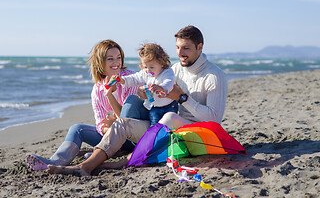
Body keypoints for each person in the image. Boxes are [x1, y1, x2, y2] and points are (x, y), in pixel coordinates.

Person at [46, 25, 228, 176]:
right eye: (178, 47)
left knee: (170, 117)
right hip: (170, 129)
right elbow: (148, 81)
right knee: (123, 123)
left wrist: (182, 98)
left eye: (186, 48)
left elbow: (214, 120)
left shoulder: (214, 76)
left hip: (198, 133)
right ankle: (85, 166)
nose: (180, 53)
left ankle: (125, 160)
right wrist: (145, 95)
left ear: (200, 47)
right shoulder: (176, 69)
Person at [25, 39, 140, 171]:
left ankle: (103, 154)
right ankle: (55, 161)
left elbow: (126, 121)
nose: (116, 63)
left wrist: (110, 97)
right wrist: (107, 129)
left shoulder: (130, 79)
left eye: (118, 58)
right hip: (113, 137)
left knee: (127, 107)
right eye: (110, 59)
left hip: (134, 139)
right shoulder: (97, 90)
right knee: (77, 129)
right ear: (100, 61)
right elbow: (100, 124)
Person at [118, 43, 178, 126]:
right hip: (154, 107)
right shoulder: (145, 73)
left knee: (169, 125)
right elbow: (135, 78)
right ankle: (154, 138)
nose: (148, 70)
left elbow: (169, 82)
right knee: (154, 126)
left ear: (162, 63)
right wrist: (123, 80)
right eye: (145, 67)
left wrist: (162, 87)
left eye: (152, 67)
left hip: (169, 106)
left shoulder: (167, 72)